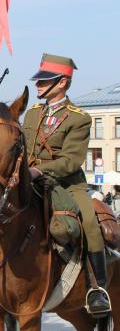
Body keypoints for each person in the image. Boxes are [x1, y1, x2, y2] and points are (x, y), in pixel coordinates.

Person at [23, 53, 110, 316]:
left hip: (66, 183)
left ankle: (98, 287)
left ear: (61, 82)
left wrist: (39, 169)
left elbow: (71, 161)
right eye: (38, 81)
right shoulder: (32, 113)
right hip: (29, 178)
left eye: (43, 81)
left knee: (90, 224)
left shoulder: (79, 118)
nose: (37, 86)